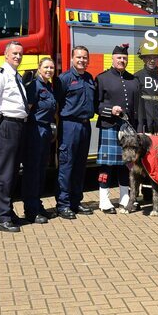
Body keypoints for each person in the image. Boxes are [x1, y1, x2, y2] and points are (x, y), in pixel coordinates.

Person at [0, 41, 29, 233]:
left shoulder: (16, 76)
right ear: (6, 55)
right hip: (6, 126)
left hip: (17, 126)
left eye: (20, 53)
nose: (18, 57)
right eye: (14, 53)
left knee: (11, 173)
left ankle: (8, 212)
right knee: (3, 174)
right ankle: (0, 218)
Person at [95, 43, 142, 214]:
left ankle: (124, 198)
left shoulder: (133, 79)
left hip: (128, 129)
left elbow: (138, 107)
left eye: (124, 58)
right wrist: (110, 110)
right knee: (106, 165)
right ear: (113, 59)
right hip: (109, 125)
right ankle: (104, 200)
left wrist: (139, 129)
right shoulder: (102, 78)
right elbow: (96, 105)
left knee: (126, 164)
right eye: (119, 58)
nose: (122, 60)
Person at [56, 46, 96, 220]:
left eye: (85, 58)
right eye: (79, 57)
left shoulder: (89, 78)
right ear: (72, 59)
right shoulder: (64, 79)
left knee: (80, 166)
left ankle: (75, 201)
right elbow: (56, 104)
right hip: (69, 126)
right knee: (67, 166)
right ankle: (63, 205)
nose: (82, 60)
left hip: (85, 126)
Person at [22, 57, 62, 225]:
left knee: (41, 170)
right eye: (46, 67)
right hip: (34, 130)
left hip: (45, 130)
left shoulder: (48, 86)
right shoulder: (34, 86)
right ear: (39, 68)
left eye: (52, 68)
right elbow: (27, 110)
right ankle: (30, 210)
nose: (49, 70)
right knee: (32, 171)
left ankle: (37, 204)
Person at [135, 47, 158, 134]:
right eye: (149, 57)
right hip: (143, 127)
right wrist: (140, 127)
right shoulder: (137, 77)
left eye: (155, 58)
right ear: (143, 59)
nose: (152, 61)